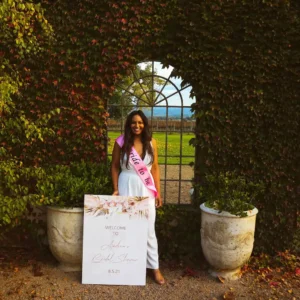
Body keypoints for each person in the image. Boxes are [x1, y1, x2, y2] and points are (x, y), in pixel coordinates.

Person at [111, 110, 165, 285]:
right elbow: (114, 167)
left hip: (146, 188)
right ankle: (128, 266)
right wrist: (116, 189)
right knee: (126, 227)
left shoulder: (151, 142)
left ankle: (154, 268)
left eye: (140, 123)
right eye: (134, 122)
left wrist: (158, 192)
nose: (137, 126)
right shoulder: (120, 142)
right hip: (126, 184)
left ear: (145, 124)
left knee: (149, 229)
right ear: (129, 124)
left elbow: (155, 168)